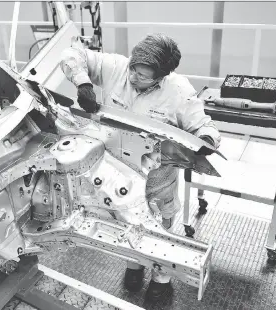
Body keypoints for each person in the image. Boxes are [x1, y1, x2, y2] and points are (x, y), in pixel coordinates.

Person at [60, 33, 221, 299]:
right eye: (134, 70)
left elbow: (204, 125)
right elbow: (71, 54)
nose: (134, 78)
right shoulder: (116, 68)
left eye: (144, 76)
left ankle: (161, 278)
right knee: (125, 219)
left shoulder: (178, 91)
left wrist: (205, 141)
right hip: (119, 172)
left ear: (161, 76)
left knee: (161, 226)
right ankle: (133, 265)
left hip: (157, 178)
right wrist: (83, 83)